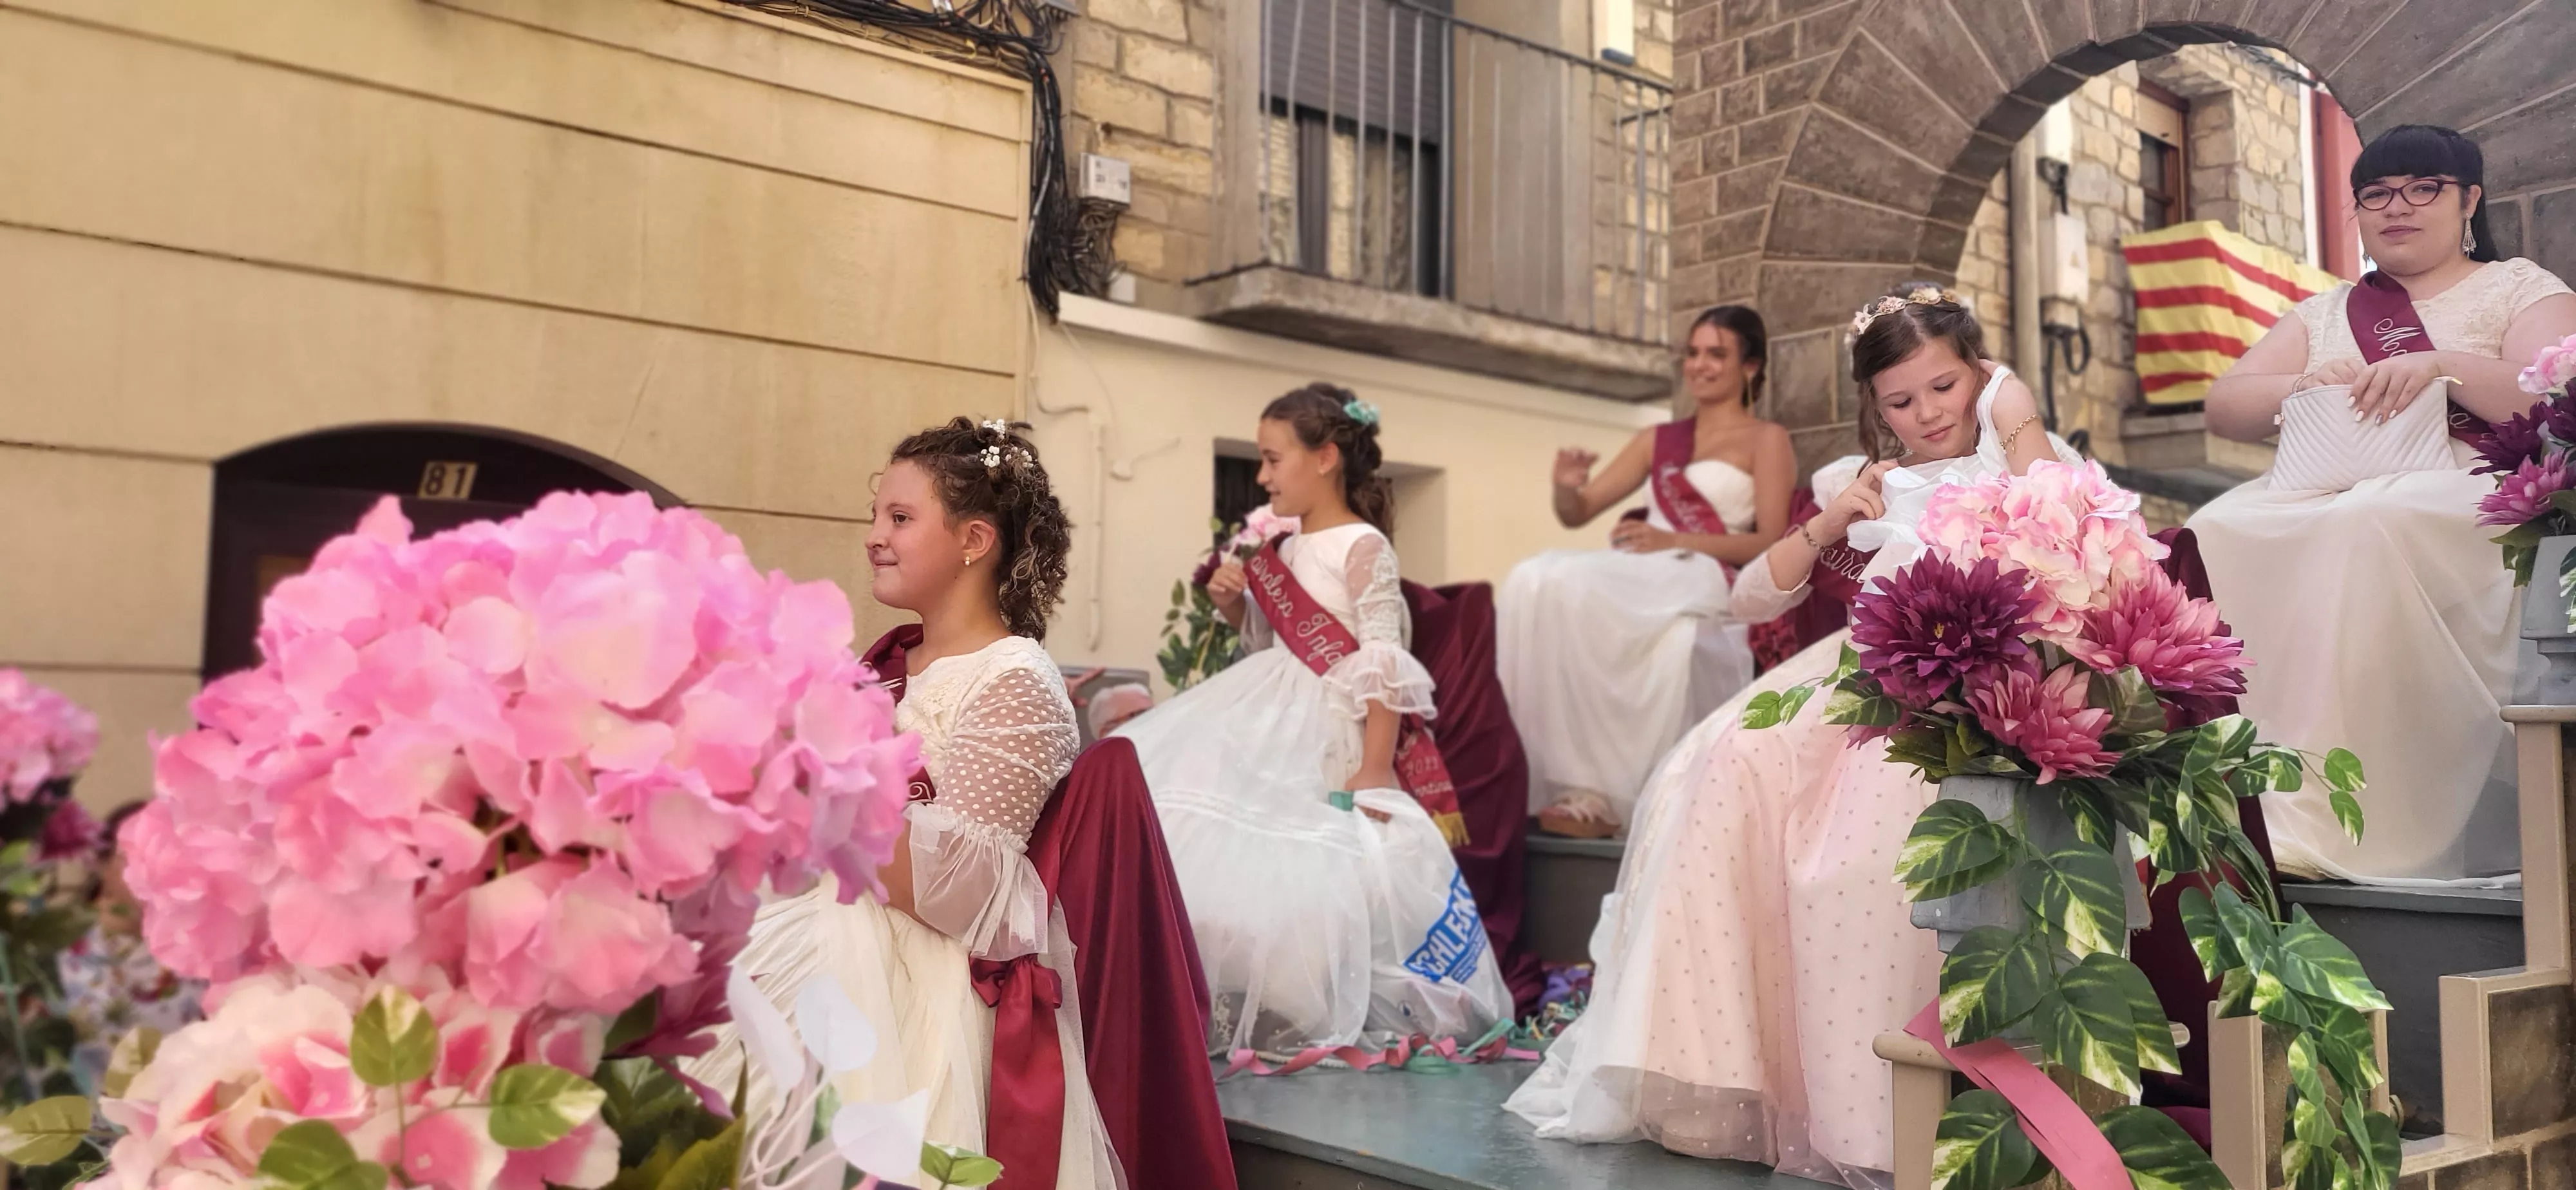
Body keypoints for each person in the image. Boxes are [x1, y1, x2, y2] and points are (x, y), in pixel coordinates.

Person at [1504, 285, 2068, 1187]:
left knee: (1867, 830)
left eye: (1945, 387)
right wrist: (1831, 521)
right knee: (1726, 759)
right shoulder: (1866, 484)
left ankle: (1888, 1110)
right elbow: (1750, 599)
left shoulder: (2021, 461)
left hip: (1981, 676)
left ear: (1980, 373)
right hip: (1868, 673)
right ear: (1873, 406)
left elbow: (2065, 531)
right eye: (1900, 400)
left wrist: (2012, 407)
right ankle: (1734, 1069)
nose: (1928, 414)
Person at [694, 419, 1122, 1190]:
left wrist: (816, 788)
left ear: (974, 541)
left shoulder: (1015, 681)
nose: (873, 537)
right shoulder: (887, 662)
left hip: (912, 984)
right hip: (819, 919)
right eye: (875, 516)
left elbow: (964, 890)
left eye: (899, 518)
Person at [2191, 124, 2576, 885]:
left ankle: (2344, 819)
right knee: (2211, 529)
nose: (2396, 206)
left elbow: (2555, 394)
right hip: (2331, 482)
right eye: (2375, 194)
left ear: (2468, 199)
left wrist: (2439, 365)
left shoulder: (2518, 285)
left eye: (2422, 188)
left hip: (2464, 484)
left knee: (2367, 524)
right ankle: (2242, 799)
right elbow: (2224, 406)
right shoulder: (2328, 310)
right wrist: (2300, 383)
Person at [1113, 383, 1513, 1057]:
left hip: (1329, 727)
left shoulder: (1364, 546)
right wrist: (1235, 606)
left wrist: (1376, 766)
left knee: (1318, 870)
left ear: (1325, 458)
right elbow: (1266, 646)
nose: (1262, 476)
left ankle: (1314, 1003)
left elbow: (1382, 660)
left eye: (1273, 459)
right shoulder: (1286, 547)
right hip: (1270, 710)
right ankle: (1248, 1001)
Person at [1499, 306, 1795, 838]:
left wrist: (1675, 540)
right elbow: (1577, 513)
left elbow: (1771, 541)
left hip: (1707, 570)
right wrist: (1566, 487)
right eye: (1693, 353)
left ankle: (1610, 789)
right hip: (1646, 569)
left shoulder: (1766, 439)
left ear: (1750, 367)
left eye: (1716, 354)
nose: (1699, 365)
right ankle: (1578, 786)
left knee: (1569, 584)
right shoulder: (1657, 441)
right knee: (1534, 577)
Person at [59, 802, 204, 1092]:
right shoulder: (64, 948)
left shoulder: (203, 941)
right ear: (102, 864)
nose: (153, 871)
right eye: (135, 857)